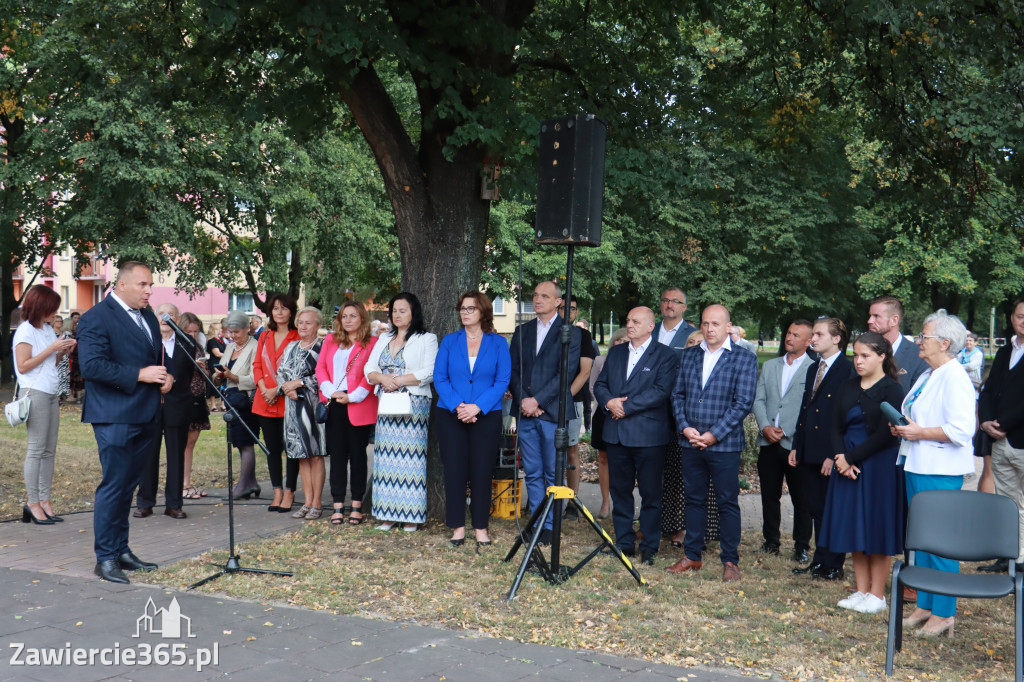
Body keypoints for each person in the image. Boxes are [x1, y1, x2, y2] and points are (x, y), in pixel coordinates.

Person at [77, 262, 168, 583]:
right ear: (122, 285)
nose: (149, 291)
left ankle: (121, 550)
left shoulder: (148, 318)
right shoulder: (95, 318)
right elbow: (92, 366)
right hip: (114, 415)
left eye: (151, 285)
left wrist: (163, 377)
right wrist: (140, 375)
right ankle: (105, 559)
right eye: (143, 284)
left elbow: (152, 359)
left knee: (129, 486)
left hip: (145, 412)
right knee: (114, 486)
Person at [895, 311, 976, 635]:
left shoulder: (955, 376)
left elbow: (962, 430)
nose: (918, 341)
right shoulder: (930, 373)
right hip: (918, 464)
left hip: (940, 470)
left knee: (941, 544)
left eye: (924, 336)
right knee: (923, 542)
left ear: (944, 343)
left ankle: (945, 613)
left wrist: (920, 433)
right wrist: (904, 429)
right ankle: (925, 605)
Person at [667, 304, 758, 582]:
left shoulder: (744, 359)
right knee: (694, 500)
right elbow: (677, 395)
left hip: (724, 444)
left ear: (728, 326)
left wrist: (714, 434)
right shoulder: (691, 356)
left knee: (727, 502)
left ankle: (730, 560)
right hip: (691, 441)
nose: (709, 329)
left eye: (716, 324)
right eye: (705, 323)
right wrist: (685, 427)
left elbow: (742, 402)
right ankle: (692, 556)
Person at [819, 332, 906, 614]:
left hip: (877, 466)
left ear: (882, 356)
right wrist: (840, 458)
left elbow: (886, 435)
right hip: (846, 463)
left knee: (876, 529)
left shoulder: (891, 389)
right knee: (853, 527)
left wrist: (852, 458)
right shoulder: (847, 386)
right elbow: (833, 426)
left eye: (865, 355)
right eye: (855, 355)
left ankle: (877, 595)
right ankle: (861, 589)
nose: (858, 361)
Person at [594, 307, 680, 565]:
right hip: (617, 433)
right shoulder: (617, 352)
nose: (629, 324)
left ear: (651, 326)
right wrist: (609, 402)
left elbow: (661, 391)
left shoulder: (665, 355)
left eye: (635, 321)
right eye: (628, 320)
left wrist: (625, 407)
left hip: (648, 435)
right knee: (620, 491)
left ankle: (650, 546)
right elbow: (600, 384)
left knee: (651, 493)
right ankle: (624, 543)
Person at [433, 292, 511, 546]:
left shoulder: (498, 343)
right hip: (450, 414)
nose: (465, 313)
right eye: (462, 308)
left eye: (471, 308)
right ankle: (457, 527)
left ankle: (480, 527)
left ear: (483, 312)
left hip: (486, 415)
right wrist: (459, 406)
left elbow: (502, 380)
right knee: (454, 470)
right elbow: (440, 377)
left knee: (482, 471)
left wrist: (477, 407)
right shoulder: (449, 341)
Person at [508, 281, 581, 544]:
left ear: (558, 302)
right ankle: (538, 521)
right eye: (536, 295)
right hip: (526, 412)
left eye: (545, 296)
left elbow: (566, 374)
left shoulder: (571, 333)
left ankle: (551, 525)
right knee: (534, 471)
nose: (538, 300)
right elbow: (513, 370)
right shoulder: (522, 331)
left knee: (553, 471)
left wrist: (537, 401)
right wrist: (524, 400)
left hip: (552, 412)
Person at [366, 293, 438, 532]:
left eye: (403, 310)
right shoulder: (383, 338)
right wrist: (383, 378)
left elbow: (429, 372)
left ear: (413, 312)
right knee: (386, 459)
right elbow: (369, 369)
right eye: (394, 310)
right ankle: (387, 515)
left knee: (411, 460)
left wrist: (397, 380)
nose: (397, 315)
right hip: (387, 402)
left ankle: (410, 516)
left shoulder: (426, 339)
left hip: (414, 403)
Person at [789, 317, 853, 581]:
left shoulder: (847, 369)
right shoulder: (813, 367)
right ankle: (819, 561)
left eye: (819, 334)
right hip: (808, 449)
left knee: (831, 510)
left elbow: (843, 416)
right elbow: (807, 409)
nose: (813, 339)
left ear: (836, 338)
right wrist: (796, 446)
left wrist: (833, 454)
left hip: (830, 452)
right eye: (813, 334)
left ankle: (833, 564)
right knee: (815, 507)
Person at [752, 320, 814, 561]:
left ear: (809, 341)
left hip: (794, 444)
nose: (789, 338)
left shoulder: (813, 368)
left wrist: (787, 430)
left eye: (796, 335)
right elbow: (759, 400)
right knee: (769, 495)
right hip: (768, 441)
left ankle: (801, 546)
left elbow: (810, 408)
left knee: (801, 498)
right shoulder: (770, 366)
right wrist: (766, 426)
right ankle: (771, 541)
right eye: (788, 333)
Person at [13, 285, 75, 525]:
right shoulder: (25, 331)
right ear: (41, 307)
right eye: (52, 309)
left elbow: (50, 361)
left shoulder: (48, 330)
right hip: (35, 393)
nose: (55, 314)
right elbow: (24, 366)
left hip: (51, 392)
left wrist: (63, 351)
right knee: (36, 449)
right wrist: (52, 348)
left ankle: (45, 500)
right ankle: (32, 502)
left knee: (50, 450)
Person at [317, 301, 378, 525]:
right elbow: (320, 368)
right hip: (334, 403)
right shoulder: (330, 341)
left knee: (359, 457)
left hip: (358, 404)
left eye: (353, 316)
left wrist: (352, 396)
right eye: (344, 316)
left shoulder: (372, 343)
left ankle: (357, 505)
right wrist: (332, 392)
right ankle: (337, 504)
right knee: (337, 457)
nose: (348, 320)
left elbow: (372, 373)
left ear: (362, 318)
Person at [661, 329, 722, 550]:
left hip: (709, 437)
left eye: (699, 341)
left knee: (704, 488)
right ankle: (678, 527)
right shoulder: (676, 369)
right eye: (690, 342)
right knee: (678, 485)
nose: (694, 345)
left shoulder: (713, 367)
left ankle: (700, 532)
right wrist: (684, 427)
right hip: (678, 434)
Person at [133, 303, 193, 521]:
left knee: (176, 455)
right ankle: (145, 502)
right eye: (161, 314)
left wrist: (172, 378)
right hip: (150, 405)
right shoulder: (146, 341)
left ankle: (174, 504)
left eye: (170, 315)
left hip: (177, 405)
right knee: (148, 454)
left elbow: (186, 372)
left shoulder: (187, 342)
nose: (165, 318)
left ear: (177, 319)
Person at [979, 296, 1024, 573]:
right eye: (1020, 316)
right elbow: (989, 389)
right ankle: (1013, 557)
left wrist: (1003, 423)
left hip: (1018, 438)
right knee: (1009, 502)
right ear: (1012, 317)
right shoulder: (1006, 352)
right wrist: (985, 421)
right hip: (1000, 439)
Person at [277, 306, 328, 520]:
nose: (303, 326)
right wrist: (286, 387)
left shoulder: (323, 347)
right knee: (301, 455)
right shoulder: (290, 347)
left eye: (308, 322)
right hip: (292, 407)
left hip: (312, 406)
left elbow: (324, 376)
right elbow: (280, 372)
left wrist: (298, 383)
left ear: (317, 325)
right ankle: (307, 502)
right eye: (300, 322)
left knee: (315, 455)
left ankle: (317, 503)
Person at [252, 294, 301, 513]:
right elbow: (257, 366)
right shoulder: (264, 336)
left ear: (291, 311)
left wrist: (277, 389)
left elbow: (300, 370)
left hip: (289, 400)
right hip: (265, 401)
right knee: (272, 450)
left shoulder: (298, 336)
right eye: (275, 309)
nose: (279, 312)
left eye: (284, 308)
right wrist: (264, 390)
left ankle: (290, 491)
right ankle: (277, 491)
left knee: (291, 449)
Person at [214, 310, 262, 500]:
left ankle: (243, 485)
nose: (232, 336)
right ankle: (252, 483)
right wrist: (218, 376)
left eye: (236, 332)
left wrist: (231, 377)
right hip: (231, 399)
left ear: (247, 328)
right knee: (240, 443)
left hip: (247, 400)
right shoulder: (229, 348)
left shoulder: (255, 347)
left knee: (245, 442)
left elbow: (256, 378)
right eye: (229, 332)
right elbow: (221, 371)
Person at [559, 295, 595, 520]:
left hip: (573, 399)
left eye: (572, 309)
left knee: (571, 449)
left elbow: (585, 371)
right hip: (546, 401)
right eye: (563, 308)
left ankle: (572, 502)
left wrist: (565, 397)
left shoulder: (583, 335)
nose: (568, 313)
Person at [589, 328, 629, 519]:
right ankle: (605, 502)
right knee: (603, 458)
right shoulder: (600, 361)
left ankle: (622, 503)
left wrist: (621, 407)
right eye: (618, 340)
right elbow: (593, 386)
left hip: (627, 414)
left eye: (625, 340)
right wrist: (609, 404)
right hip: (603, 413)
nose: (621, 343)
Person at [178, 312, 210, 500]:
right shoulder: (177, 346)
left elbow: (205, 375)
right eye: (188, 331)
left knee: (191, 443)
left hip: (197, 397)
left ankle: (186, 482)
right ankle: (182, 485)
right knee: (181, 444)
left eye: (195, 331)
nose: (192, 334)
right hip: (182, 398)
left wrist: (204, 369)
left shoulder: (198, 346)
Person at [867, 295, 928, 392]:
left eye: (876, 316)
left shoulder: (918, 356)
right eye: (870, 316)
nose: (869, 321)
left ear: (894, 320)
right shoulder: (862, 352)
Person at [50, 315, 72, 402]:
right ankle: (57, 397)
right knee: (57, 376)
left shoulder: (64, 333)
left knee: (64, 376)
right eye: (57, 321)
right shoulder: (51, 333)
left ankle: (62, 395)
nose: (60, 323)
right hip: (56, 357)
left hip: (65, 357)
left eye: (61, 321)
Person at [206, 320, 226, 412]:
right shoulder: (211, 341)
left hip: (221, 364)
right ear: (215, 330)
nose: (221, 330)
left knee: (223, 383)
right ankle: (213, 405)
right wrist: (228, 355)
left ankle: (223, 404)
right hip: (214, 364)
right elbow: (217, 353)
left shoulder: (221, 340)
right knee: (214, 383)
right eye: (220, 328)